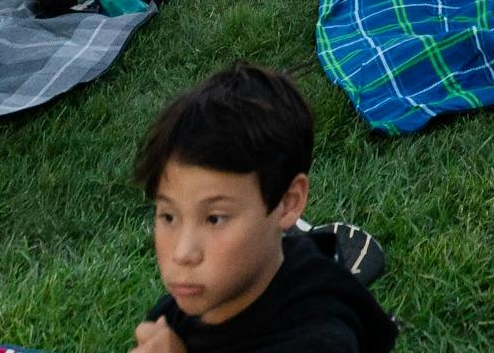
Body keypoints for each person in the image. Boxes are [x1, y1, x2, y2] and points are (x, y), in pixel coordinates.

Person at [137, 61, 398, 353]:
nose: (183, 253)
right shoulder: (192, 304)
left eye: (214, 219)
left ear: (288, 202)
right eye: (169, 216)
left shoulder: (320, 338)